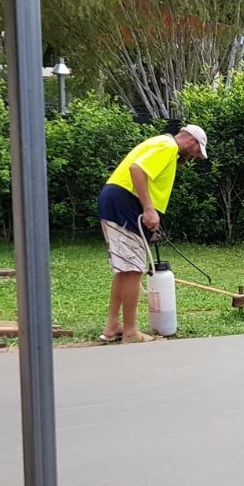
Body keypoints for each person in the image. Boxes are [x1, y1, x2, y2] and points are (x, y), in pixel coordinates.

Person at [98, 125, 207, 342]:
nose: (194, 157)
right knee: (132, 269)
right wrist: (148, 209)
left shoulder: (161, 142)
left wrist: (151, 212)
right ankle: (130, 331)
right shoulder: (168, 146)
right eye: (196, 152)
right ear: (192, 141)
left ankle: (112, 326)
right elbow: (137, 170)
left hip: (117, 201)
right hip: (124, 203)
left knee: (125, 269)